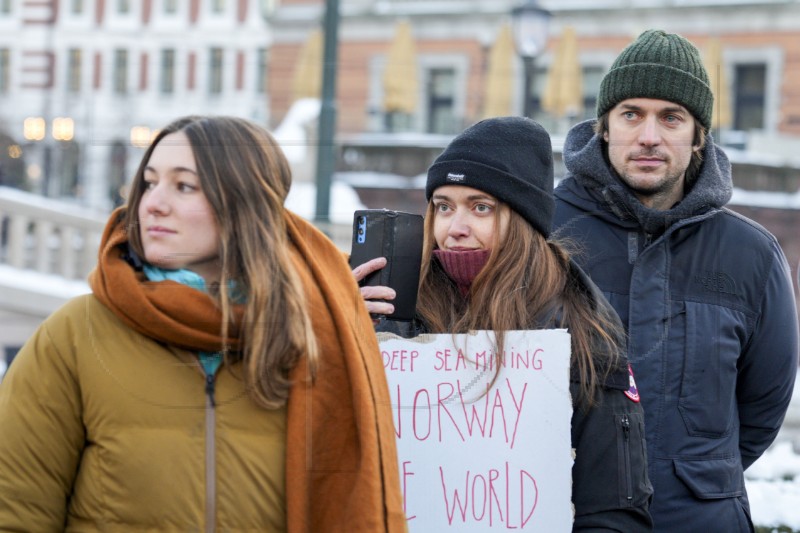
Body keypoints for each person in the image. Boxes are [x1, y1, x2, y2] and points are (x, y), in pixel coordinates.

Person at [0, 116, 406, 532]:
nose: (152, 203)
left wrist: (333, 307)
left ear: (244, 205)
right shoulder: (75, 334)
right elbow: (14, 511)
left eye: (184, 186)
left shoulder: (313, 335)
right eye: (149, 182)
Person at [552, 29, 800, 531]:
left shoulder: (752, 254)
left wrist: (694, 478)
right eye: (631, 114)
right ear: (604, 127)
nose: (649, 135)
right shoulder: (540, 232)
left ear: (698, 135)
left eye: (671, 117)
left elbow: (761, 411)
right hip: (567, 515)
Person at [356, 116, 653, 530]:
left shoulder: (579, 327)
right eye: (443, 207)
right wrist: (338, 329)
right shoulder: (394, 313)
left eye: (481, 207)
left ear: (523, 220)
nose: (455, 229)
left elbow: (612, 507)